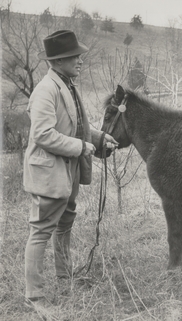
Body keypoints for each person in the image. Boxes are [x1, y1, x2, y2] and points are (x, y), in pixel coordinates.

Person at [23, 30, 118, 306]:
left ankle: (65, 278)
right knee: (41, 231)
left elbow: (75, 125)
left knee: (65, 223)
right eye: (75, 56)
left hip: (68, 171)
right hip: (49, 172)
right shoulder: (45, 90)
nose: (80, 61)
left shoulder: (66, 84)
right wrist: (80, 147)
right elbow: (43, 134)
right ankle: (35, 297)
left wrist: (99, 138)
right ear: (59, 60)